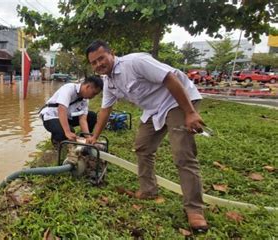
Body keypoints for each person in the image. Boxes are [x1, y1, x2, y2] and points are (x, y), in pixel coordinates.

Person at [85, 40, 208, 233]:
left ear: (112, 53)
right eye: (94, 62)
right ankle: (148, 191)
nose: (99, 64)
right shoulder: (109, 82)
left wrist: (190, 112)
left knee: (183, 155)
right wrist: (94, 137)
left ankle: (195, 210)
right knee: (142, 146)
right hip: (154, 110)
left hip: (177, 101)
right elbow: (105, 110)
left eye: (101, 58)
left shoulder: (135, 62)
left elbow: (170, 78)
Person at [39, 75, 103, 145]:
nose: (93, 96)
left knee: (91, 116)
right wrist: (67, 131)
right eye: (94, 93)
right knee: (67, 131)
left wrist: (88, 136)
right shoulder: (69, 88)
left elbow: (82, 119)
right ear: (87, 87)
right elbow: (61, 109)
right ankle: (56, 140)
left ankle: (83, 141)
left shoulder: (85, 99)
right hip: (50, 116)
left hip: (66, 116)